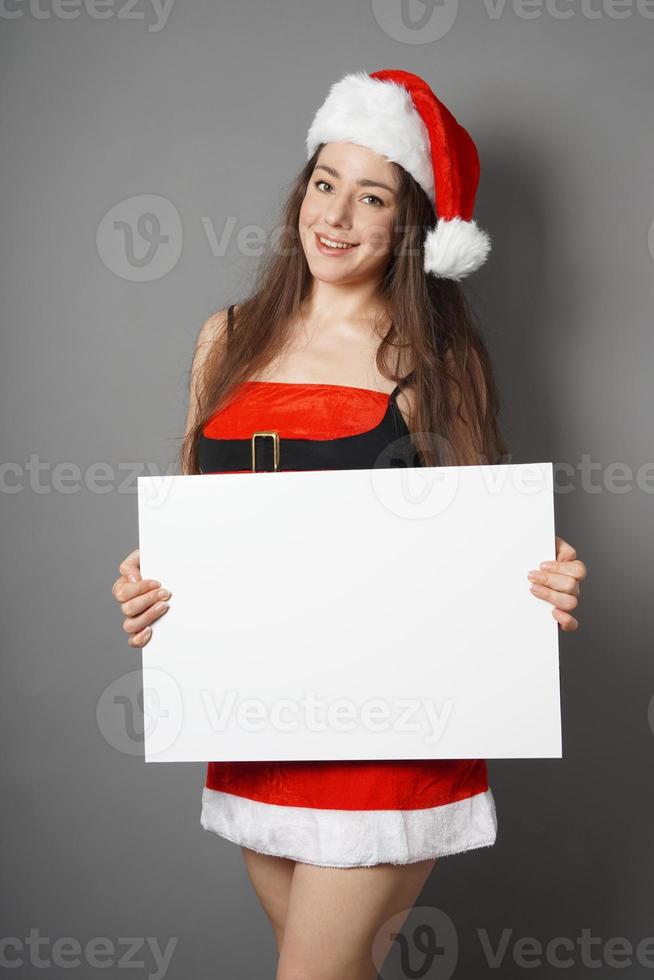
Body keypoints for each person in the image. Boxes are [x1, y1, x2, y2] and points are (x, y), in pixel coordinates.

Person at [111, 69, 587, 979]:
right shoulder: (231, 335)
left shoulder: (438, 360)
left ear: (407, 227)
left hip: (393, 730)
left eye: (372, 196)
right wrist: (144, 582)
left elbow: (488, 546)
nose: (336, 214)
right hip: (258, 720)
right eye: (325, 183)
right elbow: (192, 519)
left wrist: (545, 577)